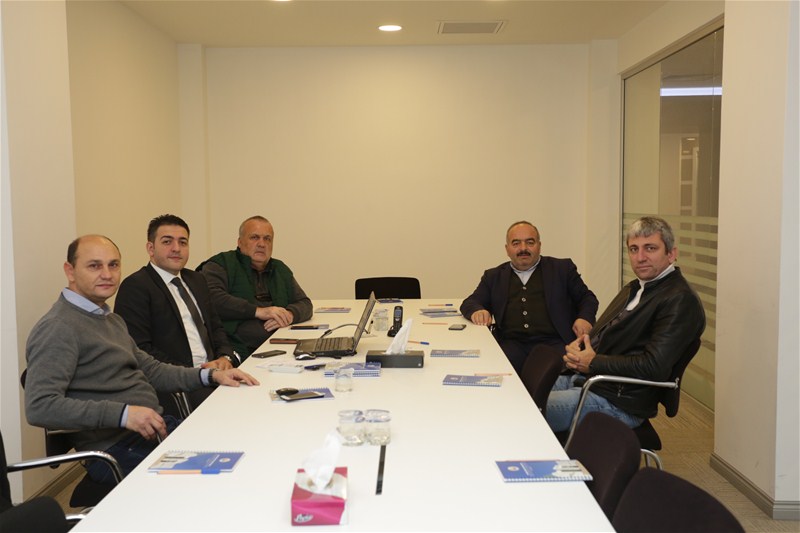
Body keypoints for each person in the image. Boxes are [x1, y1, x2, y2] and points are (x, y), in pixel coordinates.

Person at [24, 235, 259, 483]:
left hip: (153, 430)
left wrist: (211, 375)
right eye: (94, 266)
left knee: (243, 445)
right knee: (224, 479)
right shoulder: (58, 327)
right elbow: (40, 406)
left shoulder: (109, 319)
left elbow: (153, 370)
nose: (107, 274)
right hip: (117, 449)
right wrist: (124, 414)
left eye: (113, 265)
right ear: (70, 271)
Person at [545, 216, 705, 432]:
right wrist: (580, 349)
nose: (640, 257)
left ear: (671, 254)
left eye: (650, 248)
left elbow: (653, 367)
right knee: (521, 394)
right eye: (633, 249)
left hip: (618, 401)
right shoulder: (635, 287)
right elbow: (608, 334)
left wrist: (593, 362)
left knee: (526, 412)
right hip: (593, 380)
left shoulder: (680, 300)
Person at [115, 214, 239, 414]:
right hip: (178, 385)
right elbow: (140, 349)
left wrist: (225, 357)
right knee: (233, 412)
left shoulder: (197, 280)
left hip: (215, 374)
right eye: (167, 242)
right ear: (150, 248)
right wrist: (196, 374)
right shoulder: (136, 286)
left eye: (183, 242)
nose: (176, 248)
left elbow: (215, 327)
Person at [460, 221, 599, 375]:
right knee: (489, 373)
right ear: (507, 249)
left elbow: (587, 298)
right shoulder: (494, 276)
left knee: (553, 378)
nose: (523, 248)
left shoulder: (562, 269)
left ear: (539, 245)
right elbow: (470, 302)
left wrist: (584, 318)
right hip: (511, 346)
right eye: (516, 243)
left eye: (530, 242)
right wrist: (478, 311)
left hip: (554, 344)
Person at [198, 216, 312, 359]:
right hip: (237, 350)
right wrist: (258, 311)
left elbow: (305, 303)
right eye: (254, 237)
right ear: (240, 242)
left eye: (267, 239)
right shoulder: (221, 264)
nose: (262, 244)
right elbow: (211, 298)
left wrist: (290, 314)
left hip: (282, 347)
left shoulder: (280, 269)